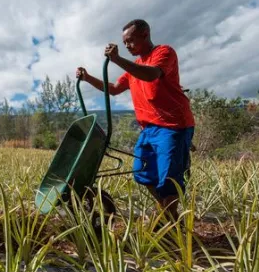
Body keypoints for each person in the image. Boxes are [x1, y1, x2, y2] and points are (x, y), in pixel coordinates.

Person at [76, 19, 195, 222]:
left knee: (168, 179)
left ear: (145, 35)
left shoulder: (163, 53)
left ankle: (172, 226)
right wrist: (88, 78)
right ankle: (168, 215)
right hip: (148, 128)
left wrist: (117, 59)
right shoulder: (135, 67)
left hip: (173, 125)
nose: (128, 46)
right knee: (143, 173)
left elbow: (151, 75)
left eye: (130, 41)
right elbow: (113, 89)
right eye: (125, 43)